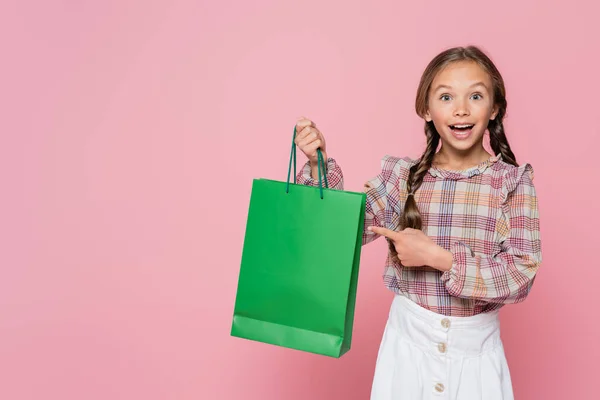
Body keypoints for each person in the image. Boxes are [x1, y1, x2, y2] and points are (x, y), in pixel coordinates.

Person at [294, 46, 542, 400]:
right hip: (406, 353)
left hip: (477, 362)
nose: (460, 109)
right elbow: (340, 231)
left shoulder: (513, 183)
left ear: (495, 107)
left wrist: (440, 258)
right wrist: (318, 168)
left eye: (475, 95)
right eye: (445, 96)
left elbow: (521, 276)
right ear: (425, 108)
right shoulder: (401, 176)